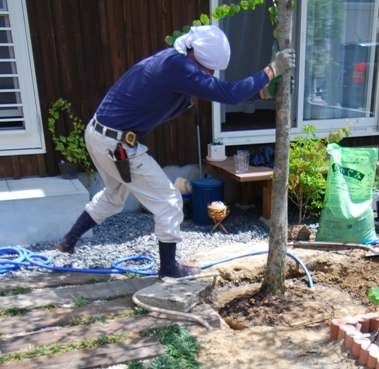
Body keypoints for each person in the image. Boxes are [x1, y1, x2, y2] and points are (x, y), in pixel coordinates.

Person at [55, 25, 295, 278]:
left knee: (114, 196)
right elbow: (229, 93)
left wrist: (261, 92)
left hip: (99, 134)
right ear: (193, 54)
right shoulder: (177, 67)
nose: (210, 73)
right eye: (208, 67)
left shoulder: (171, 61)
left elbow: (219, 92)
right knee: (169, 201)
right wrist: (271, 71)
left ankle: (69, 240)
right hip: (116, 145)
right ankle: (169, 268)